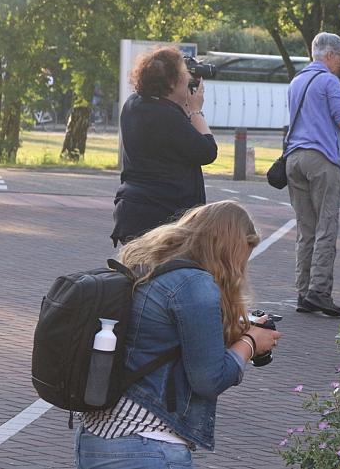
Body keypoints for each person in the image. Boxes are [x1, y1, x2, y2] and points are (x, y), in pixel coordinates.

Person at [76, 200, 282, 468]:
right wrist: (250, 343)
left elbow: (155, 340)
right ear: (231, 247)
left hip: (96, 438)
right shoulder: (195, 284)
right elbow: (208, 380)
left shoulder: (146, 265)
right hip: (146, 443)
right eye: (245, 252)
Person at [284, 32, 340, 317]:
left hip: (294, 158)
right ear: (329, 55)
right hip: (321, 158)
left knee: (305, 230)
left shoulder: (296, 82)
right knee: (326, 225)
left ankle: (303, 292)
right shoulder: (329, 81)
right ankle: (320, 291)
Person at [110, 46, 217, 247]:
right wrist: (195, 111)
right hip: (164, 217)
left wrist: (183, 107)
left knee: (139, 275)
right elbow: (207, 151)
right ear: (171, 82)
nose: (188, 79)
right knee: (167, 277)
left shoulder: (133, 104)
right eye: (184, 74)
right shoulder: (167, 117)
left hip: (133, 210)